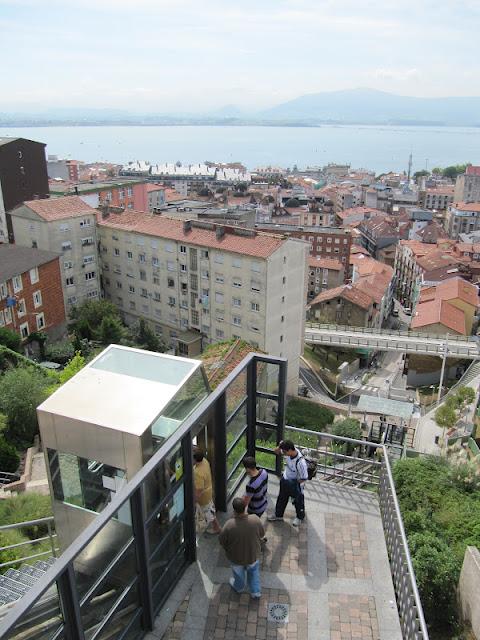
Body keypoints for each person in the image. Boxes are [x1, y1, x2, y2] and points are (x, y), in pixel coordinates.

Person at [219, 497, 265, 598]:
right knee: (253, 574)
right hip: (252, 555)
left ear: (234, 510)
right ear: (245, 507)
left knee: (238, 575)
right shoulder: (255, 519)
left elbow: (222, 541)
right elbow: (262, 534)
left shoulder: (229, 525)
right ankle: (255, 592)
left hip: (236, 558)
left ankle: (239, 588)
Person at [268, 439, 308, 526]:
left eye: (285, 451)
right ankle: (278, 515)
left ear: (290, 450)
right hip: (285, 479)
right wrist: (280, 447)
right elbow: (276, 451)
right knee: (281, 498)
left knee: (298, 501)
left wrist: (293, 483)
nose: (283, 453)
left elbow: (304, 478)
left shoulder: (301, 463)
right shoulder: (287, 452)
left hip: (296, 484)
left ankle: (300, 517)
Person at [193, 446, 220, 534]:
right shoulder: (204, 461)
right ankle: (217, 527)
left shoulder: (198, 473)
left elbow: (198, 490)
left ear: (195, 459)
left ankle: (216, 528)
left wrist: (194, 500)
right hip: (208, 492)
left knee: (208, 513)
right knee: (210, 510)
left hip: (203, 498)